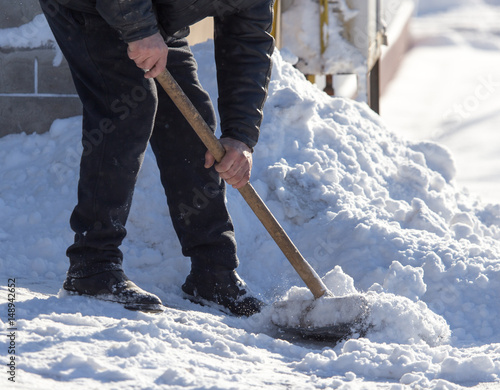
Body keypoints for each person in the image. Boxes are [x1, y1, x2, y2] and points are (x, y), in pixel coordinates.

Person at [39, 0, 275, 316]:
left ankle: (212, 273)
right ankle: (92, 265)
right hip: (90, 7)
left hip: (153, 16)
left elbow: (248, 42)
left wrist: (241, 135)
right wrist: (139, 29)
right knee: (127, 107)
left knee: (192, 120)